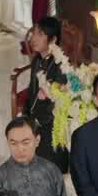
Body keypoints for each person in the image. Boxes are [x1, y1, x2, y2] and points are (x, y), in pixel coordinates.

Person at [22, 16, 67, 170]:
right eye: (34, 32)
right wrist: (26, 116)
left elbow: (58, 105)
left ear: (53, 40)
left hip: (50, 125)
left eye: (40, 34)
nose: (33, 38)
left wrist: (36, 122)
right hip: (35, 119)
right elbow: (31, 92)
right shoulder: (37, 60)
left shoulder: (60, 65)